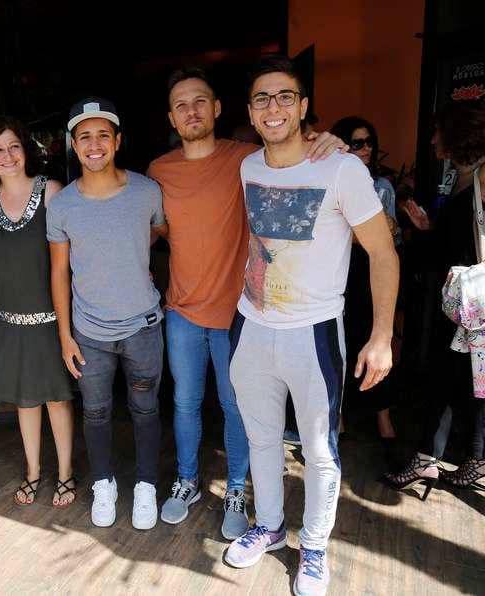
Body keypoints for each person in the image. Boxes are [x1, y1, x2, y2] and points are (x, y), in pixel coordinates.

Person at [145, 65, 346, 538]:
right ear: (172, 118)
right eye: (181, 104)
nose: (191, 111)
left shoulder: (250, 159)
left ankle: (236, 487)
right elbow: (157, 232)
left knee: (238, 408)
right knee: (186, 402)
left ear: (217, 109)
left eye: (200, 101)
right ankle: (188, 481)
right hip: (182, 312)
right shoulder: (158, 171)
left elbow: (296, 151)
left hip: (241, 313)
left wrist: (326, 139)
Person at [223, 55, 398, 596]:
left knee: (320, 448)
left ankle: (315, 546)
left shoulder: (343, 169)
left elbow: (383, 254)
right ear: (251, 114)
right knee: (261, 439)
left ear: (302, 107)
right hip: (250, 326)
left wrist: (382, 336)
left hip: (314, 332)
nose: (272, 108)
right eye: (261, 99)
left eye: (284, 98)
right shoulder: (249, 166)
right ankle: (270, 527)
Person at [47, 96, 168, 530]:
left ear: (117, 140)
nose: (94, 144)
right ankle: (104, 483)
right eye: (84, 137)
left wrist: (133, 265)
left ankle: (146, 487)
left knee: (146, 409)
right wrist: (65, 336)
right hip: (89, 332)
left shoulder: (145, 191)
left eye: (103, 135)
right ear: (74, 146)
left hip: (142, 326)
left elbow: (159, 234)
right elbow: (59, 272)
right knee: (95, 412)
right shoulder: (61, 205)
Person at [0, 114, 76, 507]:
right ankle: (33, 471)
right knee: (24, 400)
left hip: (50, 319)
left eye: (14, 146)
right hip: (6, 320)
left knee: (57, 400)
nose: (7, 155)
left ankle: (65, 472)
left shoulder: (51, 191)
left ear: (26, 149)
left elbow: (65, 262)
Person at [385, 99, 485, 492]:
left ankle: (471, 459)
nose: (432, 139)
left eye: (437, 131)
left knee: (471, 381)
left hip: (474, 303)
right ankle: (432, 457)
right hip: (454, 302)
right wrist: (428, 228)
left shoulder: (479, 175)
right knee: (446, 377)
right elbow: (453, 243)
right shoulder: (462, 175)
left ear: (457, 134)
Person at [330, 116, 400, 445]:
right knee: (339, 345)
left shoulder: (382, 186)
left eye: (369, 141)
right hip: (341, 272)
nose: (366, 148)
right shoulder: (332, 178)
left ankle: (383, 415)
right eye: (357, 142)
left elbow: (392, 236)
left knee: (375, 338)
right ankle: (339, 415)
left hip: (373, 270)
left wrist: (389, 229)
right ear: (343, 145)